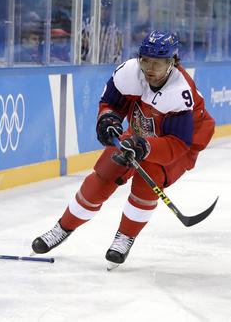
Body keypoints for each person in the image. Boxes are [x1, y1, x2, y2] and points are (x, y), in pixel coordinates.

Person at [32, 30, 215, 270]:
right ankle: (63, 227)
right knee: (105, 173)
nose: (149, 68)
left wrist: (146, 147)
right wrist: (108, 118)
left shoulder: (179, 93)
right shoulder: (130, 72)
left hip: (181, 143)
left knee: (148, 179)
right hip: (141, 133)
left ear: (172, 63)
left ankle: (125, 236)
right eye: (145, 60)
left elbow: (178, 144)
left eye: (158, 63)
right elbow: (110, 104)